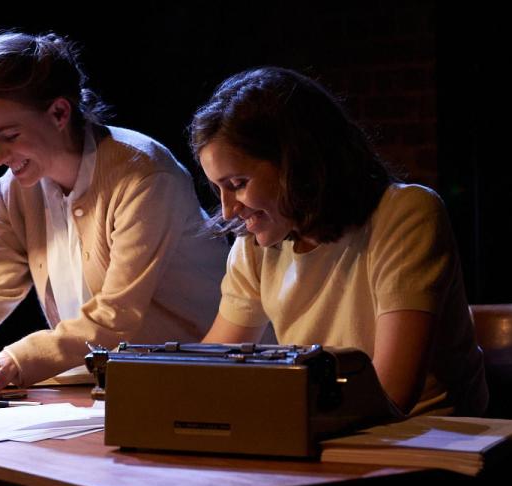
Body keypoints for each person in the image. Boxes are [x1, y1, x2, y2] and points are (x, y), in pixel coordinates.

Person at [0, 31, 228, 399]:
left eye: (9, 136)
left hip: (199, 383)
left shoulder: (144, 175)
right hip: (106, 385)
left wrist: (16, 358)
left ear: (59, 112)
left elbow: (116, 316)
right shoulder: (14, 191)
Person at [189, 67, 487, 416]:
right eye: (218, 188)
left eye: (238, 184)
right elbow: (209, 369)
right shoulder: (255, 244)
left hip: (426, 436)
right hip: (326, 427)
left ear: (295, 163)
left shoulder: (406, 213)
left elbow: (390, 395)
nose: (228, 210)